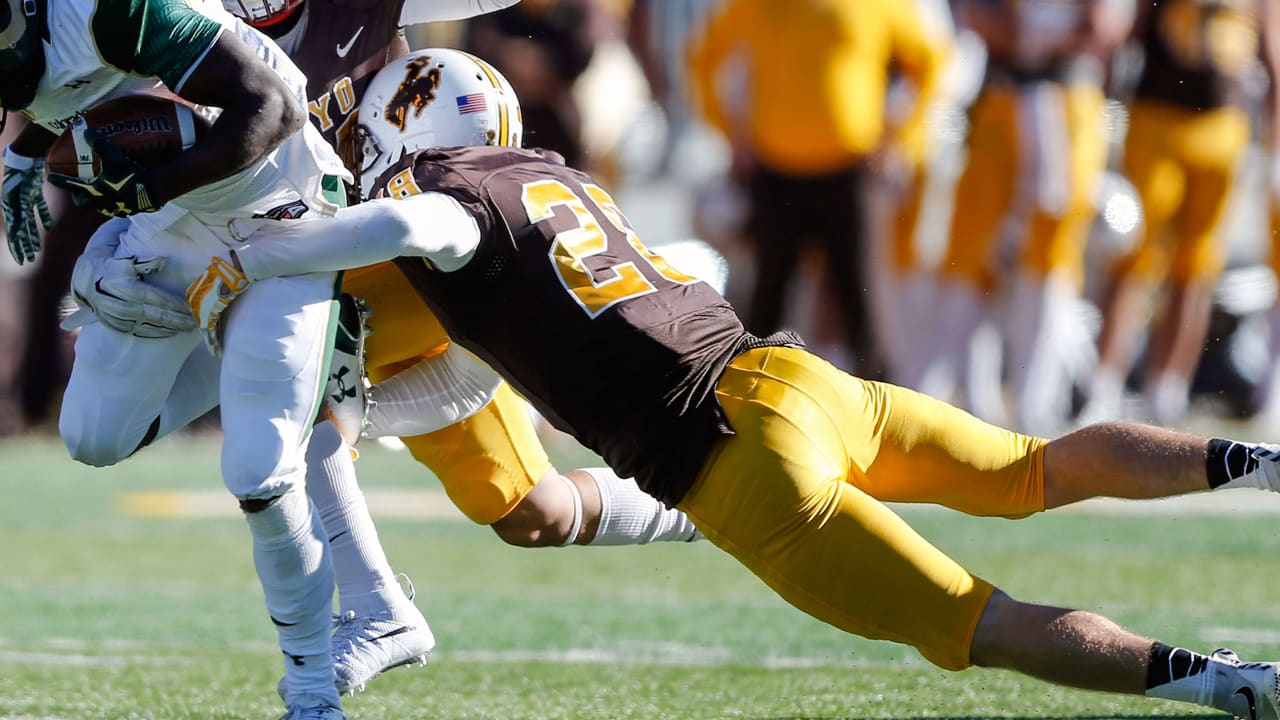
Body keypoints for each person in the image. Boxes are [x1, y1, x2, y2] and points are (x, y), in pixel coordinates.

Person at [184, 47, 1280, 718]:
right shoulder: (557, 175)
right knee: (1032, 469)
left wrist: (269, 252)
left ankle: (1228, 685)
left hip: (735, 466)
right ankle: (1258, 462)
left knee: (980, 622)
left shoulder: (438, 201)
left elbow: (415, 225)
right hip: (792, 378)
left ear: (403, 130)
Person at [213, 0, 708, 695]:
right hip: (361, 286)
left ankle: (375, 606)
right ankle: (695, 510)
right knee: (534, 515)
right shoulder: (197, 30)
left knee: (298, 382)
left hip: (410, 285)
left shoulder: (364, 26)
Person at [0, 0, 359, 716]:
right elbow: (72, 82)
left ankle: (314, 691)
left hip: (276, 214)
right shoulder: (45, 36)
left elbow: (271, 105)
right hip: (173, 224)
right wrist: (26, 149)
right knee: (94, 438)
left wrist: (147, 188)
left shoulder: (112, 9)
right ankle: (236, 346)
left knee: (258, 470)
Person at [686, 0, 947, 375]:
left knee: (861, 302)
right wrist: (731, 136)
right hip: (776, 174)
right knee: (766, 300)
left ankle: (880, 412)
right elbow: (704, 56)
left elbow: (930, 62)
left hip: (850, 172)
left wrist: (903, 138)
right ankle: (742, 399)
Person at [908, 0, 1133, 433]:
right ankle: (949, 396)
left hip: (1067, 99)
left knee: (1051, 259)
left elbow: (1104, 27)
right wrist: (1031, 36)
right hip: (1000, 96)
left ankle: (1039, 406)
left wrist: (1034, 37)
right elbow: (977, 19)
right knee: (969, 255)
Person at [1090, 0, 1277, 426]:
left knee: (1196, 269)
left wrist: (1275, 141)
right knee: (1135, 259)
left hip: (1222, 127)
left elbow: (1269, 46)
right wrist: (1103, 107)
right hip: (1157, 118)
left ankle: (1167, 390)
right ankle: (1105, 384)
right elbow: (1129, 33)